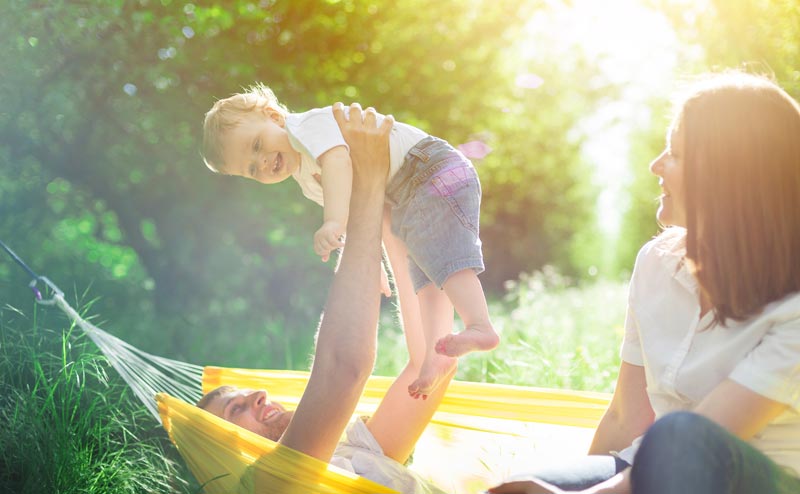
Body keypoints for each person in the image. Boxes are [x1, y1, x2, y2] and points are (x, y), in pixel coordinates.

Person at [488, 70, 800, 494]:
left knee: (678, 435)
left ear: (728, 176)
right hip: (647, 470)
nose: (655, 165)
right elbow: (624, 417)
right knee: (524, 487)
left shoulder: (793, 309)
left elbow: (696, 445)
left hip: (754, 482)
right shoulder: (657, 262)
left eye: (673, 153)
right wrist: (571, 482)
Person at [197, 102, 449, 494]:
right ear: (229, 452)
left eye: (244, 397)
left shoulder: (354, 449)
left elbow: (433, 366)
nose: (258, 395)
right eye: (237, 409)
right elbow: (343, 369)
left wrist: (386, 230)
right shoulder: (269, 485)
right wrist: (369, 179)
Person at [202, 85, 499, 399]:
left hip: (428, 168)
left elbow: (338, 162)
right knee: (425, 280)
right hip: (409, 193)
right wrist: (371, 264)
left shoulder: (307, 127)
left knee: (445, 259)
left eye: (257, 145)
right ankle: (437, 355)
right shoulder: (306, 180)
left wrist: (331, 222)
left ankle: (480, 325)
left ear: (274, 117)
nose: (261, 162)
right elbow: (360, 216)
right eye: (251, 168)